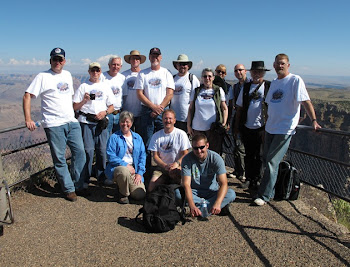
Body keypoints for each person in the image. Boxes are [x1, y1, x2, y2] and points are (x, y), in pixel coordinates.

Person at [254, 54, 321, 206]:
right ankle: (268, 190)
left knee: (272, 161)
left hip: (284, 128)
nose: (280, 66)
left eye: (283, 63)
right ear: (274, 65)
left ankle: (264, 196)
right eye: (277, 64)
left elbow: (306, 102)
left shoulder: (295, 80)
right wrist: (265, 125)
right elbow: (269, 105)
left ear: (288, 65)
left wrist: (314, 121)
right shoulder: (275, 83)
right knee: (266, 159)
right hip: (271, 127)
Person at [23, 47, 86, 202]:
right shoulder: (42, 76)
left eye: (60, 59)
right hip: (53, 124)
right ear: (50, 60)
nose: (57, 62)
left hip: (72, 121)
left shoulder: (68, 75)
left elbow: (69, 98)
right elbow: (27, 96)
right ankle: (69, 189)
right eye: (54, 59)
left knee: (80, 153)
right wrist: (28, 119)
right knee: (59, 158)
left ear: (64, 61)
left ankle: (77, 185)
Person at [73, 62, 115, 185]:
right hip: (86, 123)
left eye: (97, 71)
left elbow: (112, 106)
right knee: (88, 151)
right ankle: (85, 178)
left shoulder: (105, 87)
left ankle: (101, 176)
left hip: (101, 123)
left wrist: (105, 112)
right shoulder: (83, 87)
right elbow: (75, 106)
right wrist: (84, 100)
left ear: (100, 72)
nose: (95, 73)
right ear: (89, 72)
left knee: (102, 150)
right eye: (93, 71)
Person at [135, 47, 175, 166]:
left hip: (163, 112)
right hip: (147, 111)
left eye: (157, 55)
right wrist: (153, 107)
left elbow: (170, 93)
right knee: (146, 142)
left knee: (166, 142)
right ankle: (145, 172)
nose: (155, 58)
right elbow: (139, 93)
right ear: (149, 57)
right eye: (153, 55)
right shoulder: (143, 73)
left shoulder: (166, 73)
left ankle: (166, 170)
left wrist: (159, 108)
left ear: (161, 57)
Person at [234, 61, 271, 190]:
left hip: (262, 127)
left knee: (259, 155)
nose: (257, 74)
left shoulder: (268, 87)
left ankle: (257, 180)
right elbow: (239, 108)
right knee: (249, 154)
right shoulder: (246, 87)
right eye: (255, 71)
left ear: (263, 73)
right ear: (251, 72)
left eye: (259, 72)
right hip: (247, 126)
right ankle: (249, 179)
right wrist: (237, 126)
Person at [180, 134, 236, 217]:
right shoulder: (187, 159)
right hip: (194, 192)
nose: (199, 151)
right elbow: (186, 184)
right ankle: (207, 209)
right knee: (178, 193)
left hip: (211, 191)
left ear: (207, 145)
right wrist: (192, 205)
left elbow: (223, 183)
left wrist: (217, 203)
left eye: (201, 147)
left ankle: (201, 209)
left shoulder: (216, 158)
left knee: (231, 193)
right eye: (195, 148)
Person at [105, 111, 146, 204]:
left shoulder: (137, 138)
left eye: (127, 122)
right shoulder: (114, 137)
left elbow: (142, 156)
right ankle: (123, 194)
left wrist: (139, 173)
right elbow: (110, 156)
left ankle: (124, 186)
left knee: (139, 195)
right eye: (123, 121)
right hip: (118, 168)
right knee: (124, 171)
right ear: (119, 123)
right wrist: (125, 165)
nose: (125, 124)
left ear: (131, 123)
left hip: (133, 169)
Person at [147, 109, 191, 191]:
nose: (168, 121)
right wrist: (164, 166)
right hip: (162, 167)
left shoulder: (181, 134)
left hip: (177, 166)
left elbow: (185, 153)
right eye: (165, 118)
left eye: (170, 118)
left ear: (174, 120)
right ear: (162, 120)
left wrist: (176, 163)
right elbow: (155, 156)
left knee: (184, 185)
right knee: (151, 187)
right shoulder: (156, 136)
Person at [187, 68, 228, 154]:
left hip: (213, 129)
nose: (207, 78)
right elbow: (191, 109)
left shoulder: (218, 90)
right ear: (202, 78)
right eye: (205, 76)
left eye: (209, 76)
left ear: (213, 78)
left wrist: (223, 123)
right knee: (198, 152)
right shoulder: (196, 91)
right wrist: (189, 126)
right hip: (198, 128)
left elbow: (224, 108)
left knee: (213, 153)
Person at [170, 54, 200, 132]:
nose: (182, 66)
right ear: (176, 65)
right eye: (180, 64)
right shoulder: (172, 78)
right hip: (173, 118)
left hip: (187, 118)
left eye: (184, 64)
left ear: (188, 66)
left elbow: (196, 99)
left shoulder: (192, 79)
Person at [230, 64, 249, 181]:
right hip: (237, 119)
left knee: (244, 148)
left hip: (248, 121)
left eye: (240, 70)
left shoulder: (251, 85)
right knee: (236, 146)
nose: (238, 72)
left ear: (245, 71)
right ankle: (238, 170)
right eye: (236, 70)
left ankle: (245, 172)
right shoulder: (236, 87)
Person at [121, 50, 146, 133]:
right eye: (133, 59)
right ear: (129, 61)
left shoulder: (144, 74)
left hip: (141, 113)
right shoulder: (123, 75)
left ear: (140, 61)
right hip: (126, 112)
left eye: (137, 59)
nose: (135, 61)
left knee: (140, 137)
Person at [101, 55, 125, 134]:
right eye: (113, 64)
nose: (115, 67)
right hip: (107, 113)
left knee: (118, 138)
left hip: (119, 113)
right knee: (105, 137)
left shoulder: (122, 78)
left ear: (121, 66)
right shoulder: (102, 77)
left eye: (118, 65)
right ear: (109, 65)